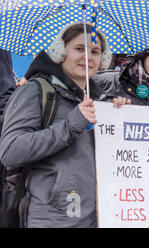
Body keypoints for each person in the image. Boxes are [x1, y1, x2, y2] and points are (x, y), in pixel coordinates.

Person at [0, 22, 111, 227]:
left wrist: (123, 116)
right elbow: (11, 150)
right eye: (79, 49)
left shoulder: (102, 99)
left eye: (96, 51)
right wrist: (69, 126)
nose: (88, 57)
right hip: (52, 218)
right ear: (60, 52)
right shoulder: (35, 91)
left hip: (96, 216)